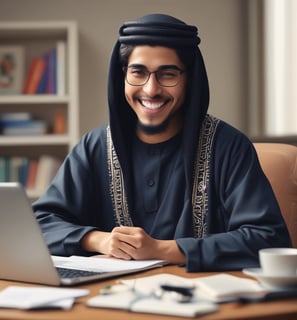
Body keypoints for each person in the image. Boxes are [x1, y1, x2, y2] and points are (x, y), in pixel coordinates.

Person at [33, 13, 291, 272]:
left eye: (168, 74)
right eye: (138, 72)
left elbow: (268, 238)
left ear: (189, 79)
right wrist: (100, 240)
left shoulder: (229, 147)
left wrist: (162, 250)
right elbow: (38, 224)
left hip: (204, 302)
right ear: (123, 76)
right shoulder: (94, 147)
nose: (151, 89)